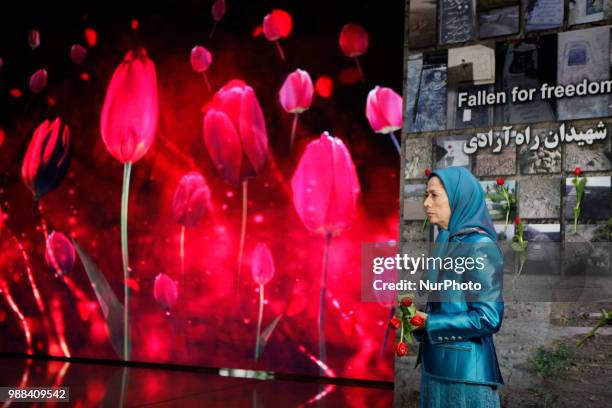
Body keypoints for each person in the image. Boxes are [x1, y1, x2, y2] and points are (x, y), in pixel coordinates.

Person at [413, 166, 504, 408]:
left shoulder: (479, 246)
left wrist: (429, 323)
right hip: (434, 371)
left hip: (466, 378)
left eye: (434, 195)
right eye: (426, 195)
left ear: (457, 197)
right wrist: (414, 318)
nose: (426, 203)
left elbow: (489, 317)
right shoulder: (445, 239)